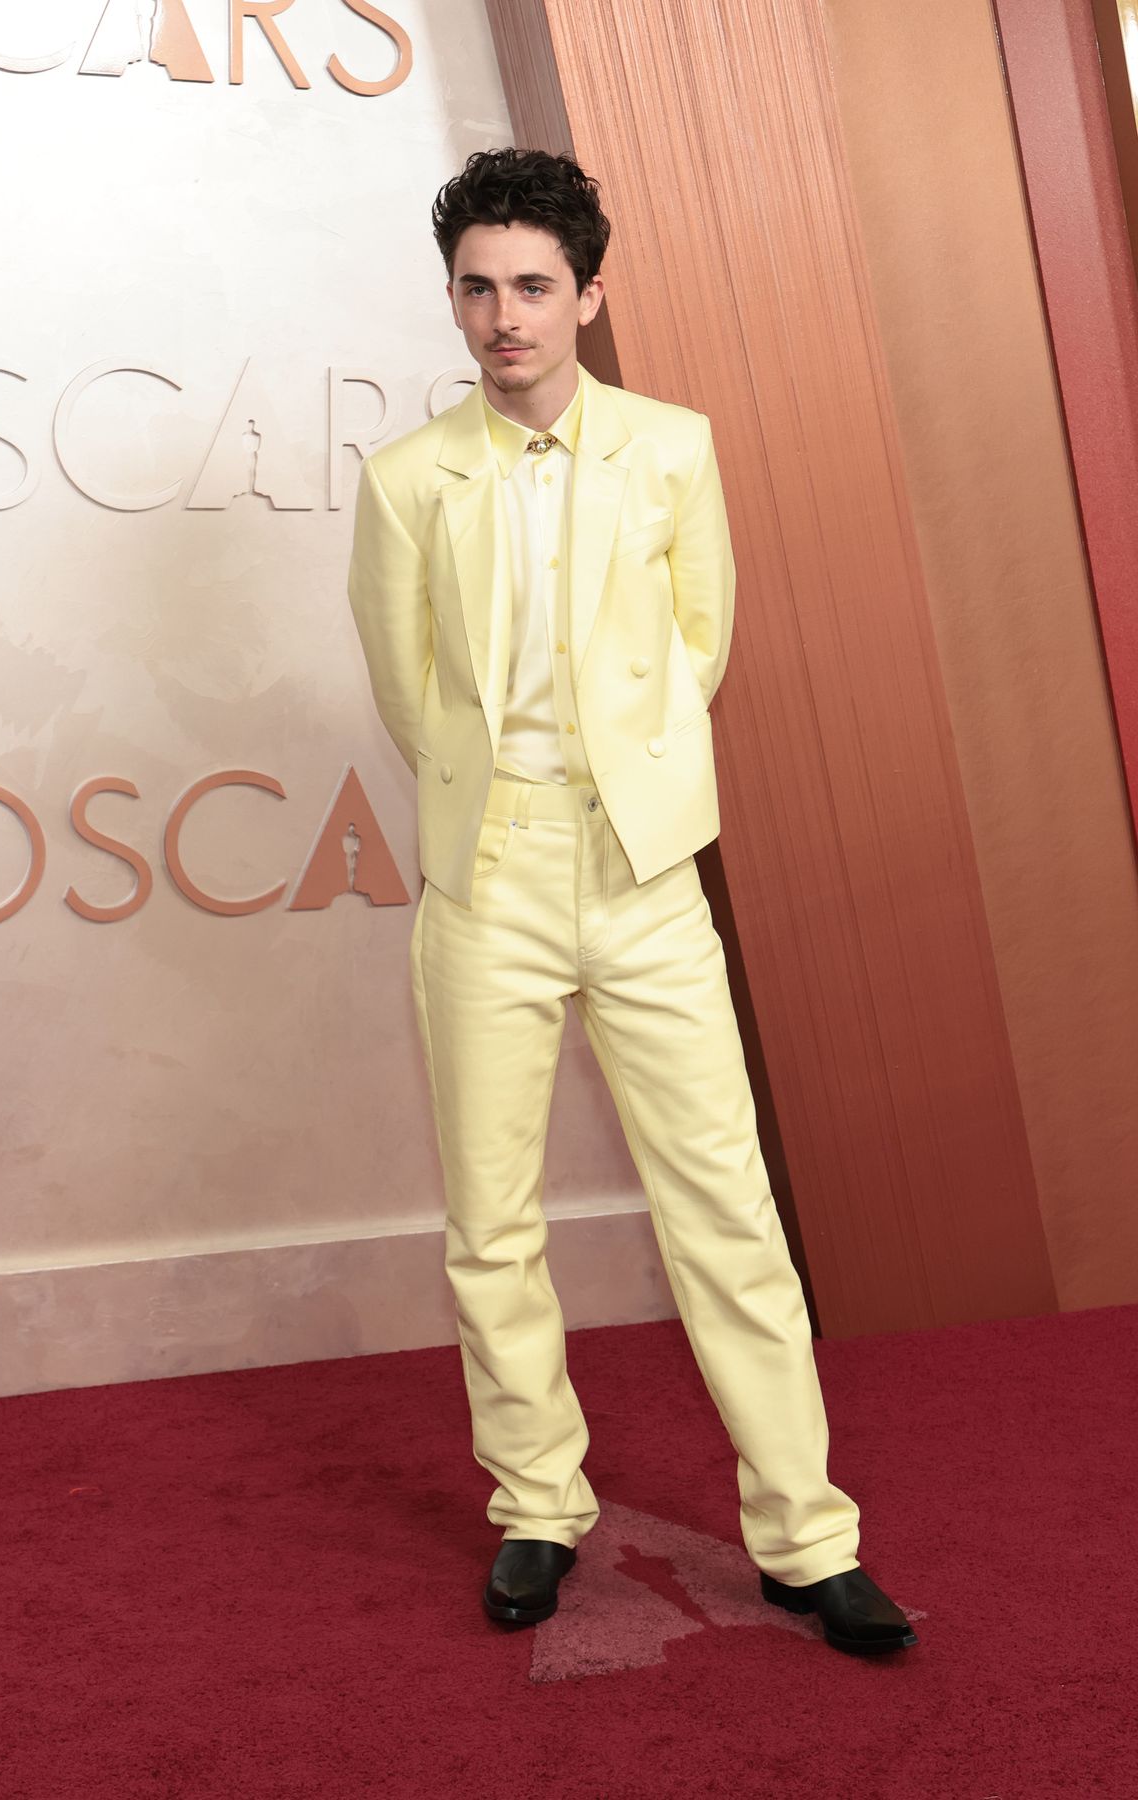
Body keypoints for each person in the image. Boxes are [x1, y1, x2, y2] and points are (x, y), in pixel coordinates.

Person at [346, 147, 917, 1657]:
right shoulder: (408, 481)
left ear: (590, 294)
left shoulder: (674, 447)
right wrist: (511, 811)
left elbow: (699, 644)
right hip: (490, 878)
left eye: (534, 285)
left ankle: (806, 1535)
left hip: (646, 870)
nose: (503, 316)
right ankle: (539, 1506)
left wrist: (627, 801)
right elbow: (410, 693)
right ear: (454, 300)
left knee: (724, 1205)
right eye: (478, 287)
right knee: (491, 1218)